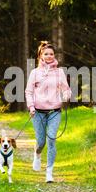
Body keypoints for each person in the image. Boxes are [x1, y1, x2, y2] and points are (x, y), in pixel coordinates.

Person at [25, 41, 71, 183]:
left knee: (51, 139)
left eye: (51, 54)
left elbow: (66, 89)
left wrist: (66, 95)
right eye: (46, 54)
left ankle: (49, 172)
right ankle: (37, 154)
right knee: (41, 142)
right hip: (37, 112)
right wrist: (31, 107)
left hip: (54, 112)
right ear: (41, 56)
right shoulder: (35, 73)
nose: (49, 56)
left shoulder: (59, 72)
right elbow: (29, 92)